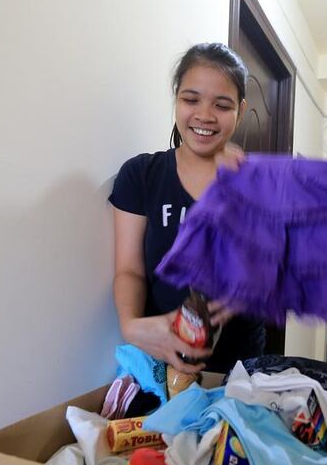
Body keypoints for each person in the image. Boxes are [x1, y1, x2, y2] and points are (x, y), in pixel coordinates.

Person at [109, 43, 265, 375]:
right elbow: (130, 271)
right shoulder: (141, 174)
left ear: (240, 110)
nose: (204, 115)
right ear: (176, 100)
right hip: (161, 363)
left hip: (239, 369)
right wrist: (131, 325)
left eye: (222, 105)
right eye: (191, 100)